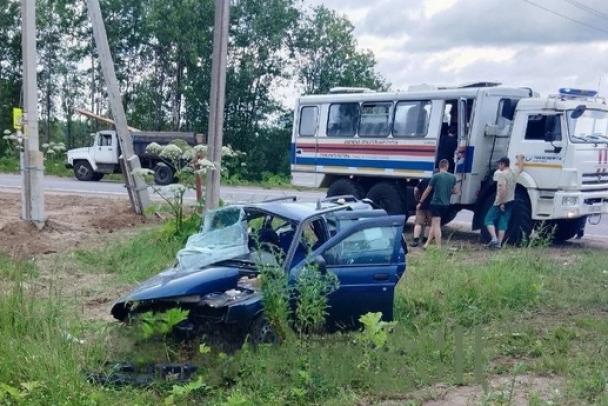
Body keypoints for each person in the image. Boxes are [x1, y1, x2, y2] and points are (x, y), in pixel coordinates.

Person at [484, 155, 525, 248]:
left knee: (488, 219)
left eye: (499, 164)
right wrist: (520, 159)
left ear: (503, 164)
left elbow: (502, 188)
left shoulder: (502, 174)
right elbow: (520, 168)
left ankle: (494, 238)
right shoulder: (513, 172)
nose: (499, 166)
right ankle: (499, 243)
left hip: (501, 201)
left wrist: (502, 202)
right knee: (504, 221)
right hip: (511, 200)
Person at [417, 159, 457, 249]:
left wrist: (420, 202)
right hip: (446, 204)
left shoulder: (436, 176)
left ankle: (438, 246)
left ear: (439, 166)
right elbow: (455, 191)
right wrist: (447, 190)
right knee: (434, 225)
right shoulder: (452, 177)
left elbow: (427, 191)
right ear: (447, 166)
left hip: (436, 203)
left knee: (436, 225)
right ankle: (426, 244)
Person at [411, 176, 433, 247]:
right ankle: (425, 239)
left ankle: (416, 240)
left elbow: (416, 189)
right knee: (430, 223)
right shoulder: (436, 181)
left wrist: (417, 198)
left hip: (421, 204)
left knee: (418, 222)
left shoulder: (424, 180)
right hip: (432, 205)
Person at [436, 107, 459, 173]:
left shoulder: (442, 137)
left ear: (448, 131)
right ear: (455, 133)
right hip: (448, 162)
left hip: (439, 161)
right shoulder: (455, 141)